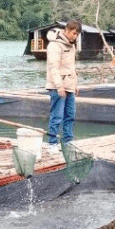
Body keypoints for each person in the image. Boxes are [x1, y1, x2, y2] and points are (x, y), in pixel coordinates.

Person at [45, 19, 81, 154]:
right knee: (57, 116)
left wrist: (75, 84)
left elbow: (71, 67)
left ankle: (68, 142)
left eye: (77, 34)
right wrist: (59, 86)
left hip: (70, 86)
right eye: (73, 33)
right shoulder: (55, 45)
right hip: (57, 87)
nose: (75, 36)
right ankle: (52, 143)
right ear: (66, 30)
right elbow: (53, 67)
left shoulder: (72, 45)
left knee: (70, 115)